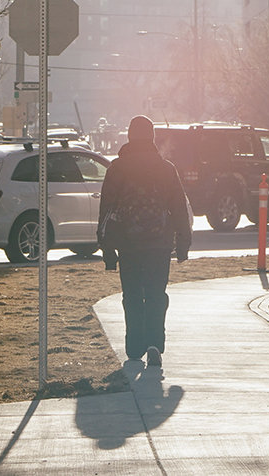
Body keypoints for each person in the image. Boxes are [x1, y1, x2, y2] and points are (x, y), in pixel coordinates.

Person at [97, 115, 192, 368]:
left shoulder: (116, 169)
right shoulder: (166, 168)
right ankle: (154, 345)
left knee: (132, 296)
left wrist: (107, 249)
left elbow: (106, 209)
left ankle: (134, 347)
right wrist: (183, 244)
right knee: (155, 295)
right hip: (159, 243)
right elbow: (179, 209)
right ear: (152, 137)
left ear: (129, 136)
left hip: (127, 243)